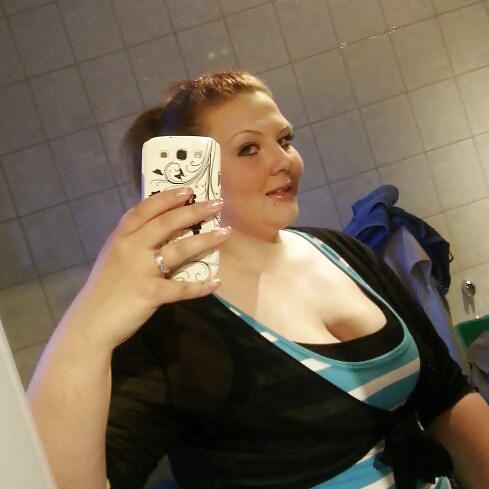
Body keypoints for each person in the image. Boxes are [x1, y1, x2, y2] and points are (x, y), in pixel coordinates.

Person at [27, 71, 489, 489]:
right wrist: (89, 323)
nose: (282, 160)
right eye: (249, 148)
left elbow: (447, 397)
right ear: (195, 179)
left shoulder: (342, 251)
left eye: (285, 140)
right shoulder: (171, 321)